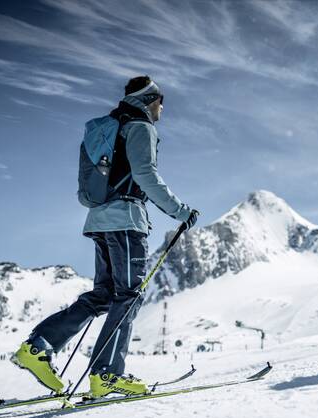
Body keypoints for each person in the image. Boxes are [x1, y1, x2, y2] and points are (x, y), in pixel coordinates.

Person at [12, 76, 199, 397]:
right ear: (149, 100)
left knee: (105, 295)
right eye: (160, 101)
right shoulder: (140, 127)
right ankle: (107, 375)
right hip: (126, 221)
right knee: (128, 295)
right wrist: (180, 211)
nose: (162, 108)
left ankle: (38, 346)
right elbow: (144, 174)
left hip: (99, 219)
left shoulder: (105, 128)